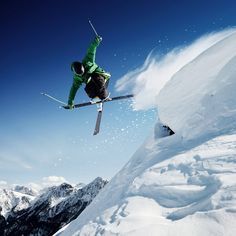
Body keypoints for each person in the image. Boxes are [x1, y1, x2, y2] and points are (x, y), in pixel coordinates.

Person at [68, 35, 111, 109]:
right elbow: (73, 89)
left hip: (101, 78)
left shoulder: (88, 60)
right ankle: (97, 100)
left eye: (83, 72)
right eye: (80, 74)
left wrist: (96, 41)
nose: (82, 74)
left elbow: (91, 50)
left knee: (95, 78)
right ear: (76, 73)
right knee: (88, 87)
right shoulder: (77, 78)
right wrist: (70, 101)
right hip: (92, 83)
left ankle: (104, 96)